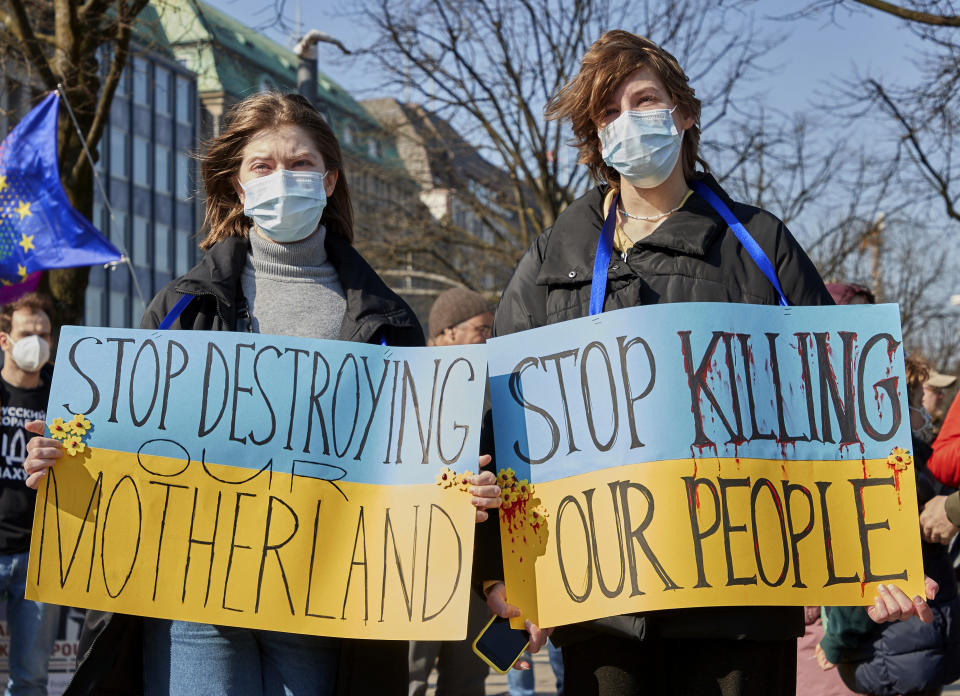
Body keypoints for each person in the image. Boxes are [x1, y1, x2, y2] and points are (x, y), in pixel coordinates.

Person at [474, 30, 936, 696]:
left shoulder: (760, 245)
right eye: (608, 112)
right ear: (593, 135)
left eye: (645, 100)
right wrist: (499, 571)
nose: (627, 121)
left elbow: (842, 399)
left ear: (683, 114)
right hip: (604, 607)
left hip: (742, 605)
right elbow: (500, 422)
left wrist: (885, 551)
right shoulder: (556, 256)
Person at [21, 92, 500, 696]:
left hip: (320, 598)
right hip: (193, 594)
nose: (283, 179)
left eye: (300, 165)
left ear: (329, 181)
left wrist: (458, 490)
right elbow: (122, 442)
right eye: (263, 166)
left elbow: (413, 463)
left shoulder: (387, 320)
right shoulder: (181, 309)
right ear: (239, 188)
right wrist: (66, 461)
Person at [817, 357, 960, 696]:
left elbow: (859, 575)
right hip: (932, 636)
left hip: (885, 648)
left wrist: (835, 641)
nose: (920, 410)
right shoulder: (926, 461)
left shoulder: (871, 472)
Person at [408, 286, 493, 696]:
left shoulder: (490, 388)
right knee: (411, 677)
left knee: (467, 679)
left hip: (475, 563)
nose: (488, 340)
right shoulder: (408, 384)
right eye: (481, 330)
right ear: (447, 333)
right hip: (416, 561)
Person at [0, 293, 59, 696]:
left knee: (32, 679)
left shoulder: (67, 397)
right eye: (26, 333)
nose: (36, 342)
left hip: (41, 554)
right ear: (5, 339)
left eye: (43, 334)